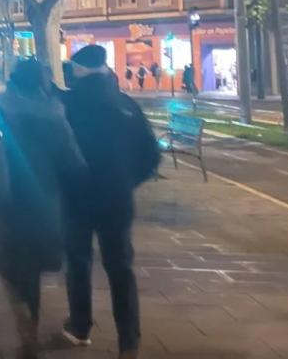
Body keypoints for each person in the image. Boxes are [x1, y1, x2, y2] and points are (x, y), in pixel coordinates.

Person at [0, 59, 87, 359]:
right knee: (33, 265)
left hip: (8, 200)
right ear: (42, 83)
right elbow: (73, 163)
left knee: (11, 266)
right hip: (45, 200)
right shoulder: (55, 115)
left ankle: (26, 324)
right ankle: (31, 321)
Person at [60, 44, 160, 359]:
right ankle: (128, 341)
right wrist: (127, 182)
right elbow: (151, 154)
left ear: (78, 70)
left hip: (77, 198)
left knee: (78, 262)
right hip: (117, 199)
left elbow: (55, 149)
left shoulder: (67, 104)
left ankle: (80, 327)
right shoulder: (126, 104)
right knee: (120, 267)